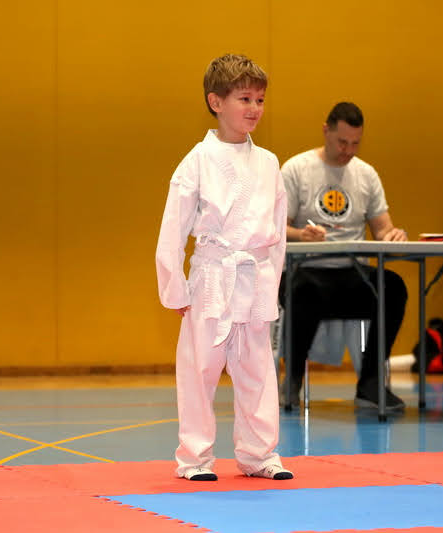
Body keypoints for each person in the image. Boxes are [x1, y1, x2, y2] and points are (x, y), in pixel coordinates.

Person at [155, 54, 293, 481]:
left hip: (255, 276)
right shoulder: (197, 159)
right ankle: (194, 458)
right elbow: (174, 228)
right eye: (244, 99)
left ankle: (259, 454)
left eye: (260, 100)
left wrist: (273, 285)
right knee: (200, 371)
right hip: (213, 278)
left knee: (257, 370)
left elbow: (277, 234)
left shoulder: (268, 162)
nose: (254, 108)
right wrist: (175, 287)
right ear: (216, 102)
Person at [280, 102, 409, 412]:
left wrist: (393, 234)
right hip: (306, 269)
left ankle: (370, 383)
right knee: (303, 291)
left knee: (393, 288)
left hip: (353, 273)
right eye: (342, 142)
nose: (348, 151)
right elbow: (276, 228)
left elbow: (382, 228)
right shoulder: (296, 169)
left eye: (355, 144)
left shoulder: (366, 174)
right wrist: (300, 234)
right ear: (326, 131)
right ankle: (292, 380)